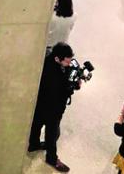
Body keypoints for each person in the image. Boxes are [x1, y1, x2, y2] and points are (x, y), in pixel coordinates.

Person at [28, 42, 77, 172]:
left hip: (40, 105)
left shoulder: (49, 61)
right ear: (57, 59)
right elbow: (58, 92)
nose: (69, 64)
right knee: (52, 134)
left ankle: (33, 144)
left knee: (36, 125)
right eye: (67, 62)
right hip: (51, 108)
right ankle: (52, 159)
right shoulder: (50, 73)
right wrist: (72, 86)